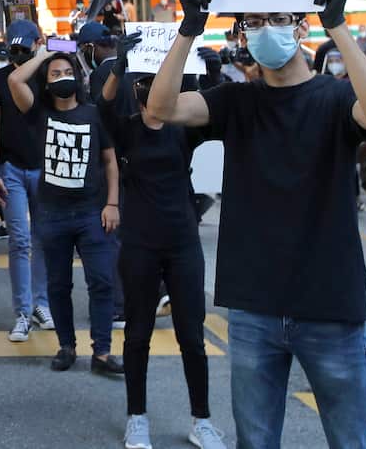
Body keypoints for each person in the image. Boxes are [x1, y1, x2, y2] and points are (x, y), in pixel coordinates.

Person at [147, 0, 366, 449]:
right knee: (256, 441)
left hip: (329, 305)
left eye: (279, 19)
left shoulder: (336, 97)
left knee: (350, 441)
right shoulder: (235, 101)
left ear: (302, 28)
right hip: (254, 306)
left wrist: (339, 27)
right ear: (241, 34)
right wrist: (188, 30)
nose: (266, 30)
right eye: (254, 21)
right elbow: (160, 110)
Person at [100, 33, 225, 449]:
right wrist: (118, 66)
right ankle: (137, 417)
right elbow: (100, 106)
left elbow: (216, 115)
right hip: (139, 243)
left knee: (192, 336)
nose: (149, 91)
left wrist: (212, 74)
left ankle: (201, 420)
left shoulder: (182, 131)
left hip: (182, 242)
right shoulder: (127, 130)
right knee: (138, 335)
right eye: (144, 84)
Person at [8, 47, 124, 376]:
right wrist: (44, 54)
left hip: (92, 213)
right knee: (58, 286)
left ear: (79, 77)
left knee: (101, 282)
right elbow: (16, 79)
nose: (62, 78)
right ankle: (66, 346)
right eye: (54, 74)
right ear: (45, 83)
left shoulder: (93, 113)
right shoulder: (38, 114)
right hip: (52, 214)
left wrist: (112, 203)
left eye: (67, 72)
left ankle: (101, 352)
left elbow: (110, 161)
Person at [0, 19, 55, 338]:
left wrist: (50, 52)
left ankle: (41, 303)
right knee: (20, 240)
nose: (18, 53)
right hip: (11, 168)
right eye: (14, 47)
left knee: (42, 237)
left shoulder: (48, 72)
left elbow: (76, 58)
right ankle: (23, 312)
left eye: (24, 47)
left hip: (43, 166)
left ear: (36, 43)